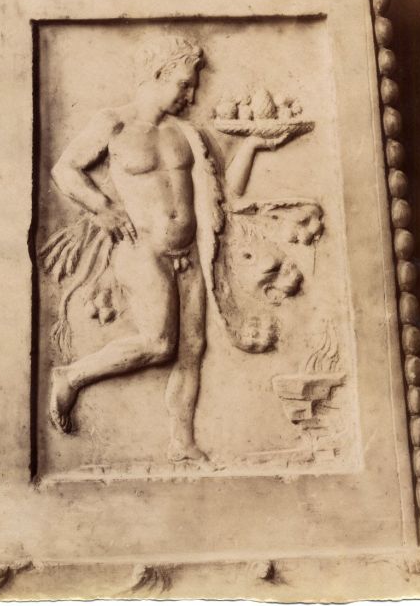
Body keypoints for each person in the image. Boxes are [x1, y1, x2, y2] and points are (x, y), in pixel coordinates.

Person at [47, 36, 300, 462]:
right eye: (184, 84)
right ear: (158, 74)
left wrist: (254, 145)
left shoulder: (186, 133)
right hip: (141, 249)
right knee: (159, 343)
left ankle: (182, 443)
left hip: (189, 255)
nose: (191, 95)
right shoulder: (113, 124)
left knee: (191, 349)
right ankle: (71, 376)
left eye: (193, 86)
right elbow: (65, 169)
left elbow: (225, 191)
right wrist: (103, 208)